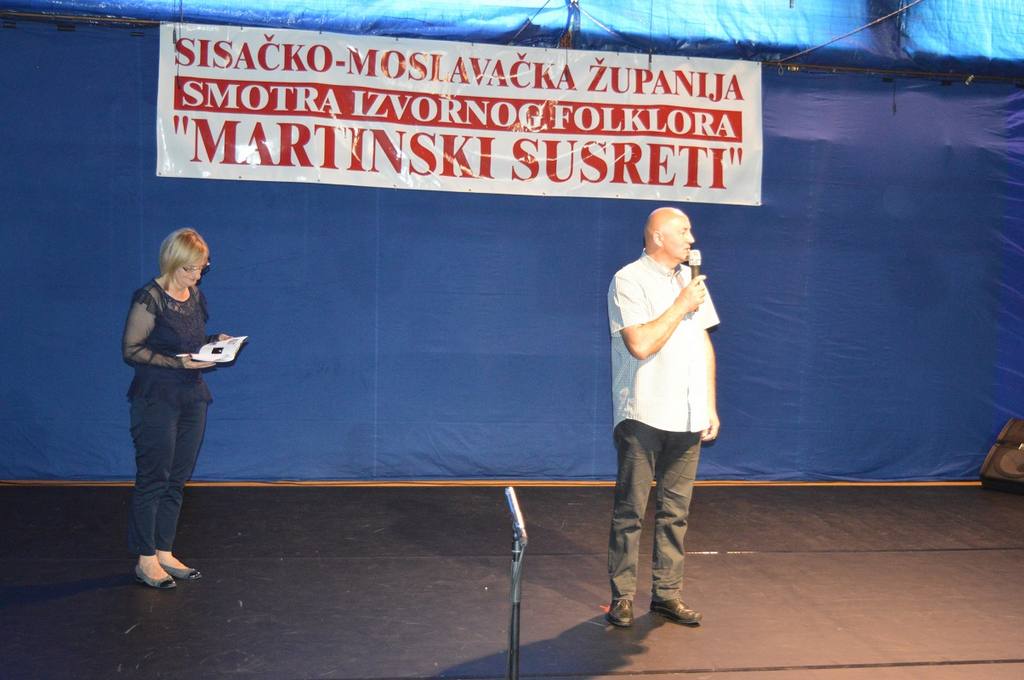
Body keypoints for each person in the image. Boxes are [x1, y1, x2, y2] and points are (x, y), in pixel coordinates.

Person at [605, 207, 720, 627]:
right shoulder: (628, 280)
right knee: (631, 511)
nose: (692, 239)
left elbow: (703, 342)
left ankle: (667, 595)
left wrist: (708, 404)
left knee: (676, 511)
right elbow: (640, 344)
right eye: (683, 231)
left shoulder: (691, 281)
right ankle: (622, 597)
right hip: (645, 411)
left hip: (687, 413)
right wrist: (680, 304)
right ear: (657, 237)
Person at [121, 228, 230, 589]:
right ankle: (145, 559)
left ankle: (164, 551)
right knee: (154, 478)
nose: (197, 275)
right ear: (172, 262)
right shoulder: (150, 298)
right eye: (190, 269)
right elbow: (132, 350)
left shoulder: (194, 296)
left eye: (202, 268)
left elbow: (191, 343)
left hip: (192, 397)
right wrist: (178, 363)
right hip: (155, 398)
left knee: (177, 479)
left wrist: (215, 343)